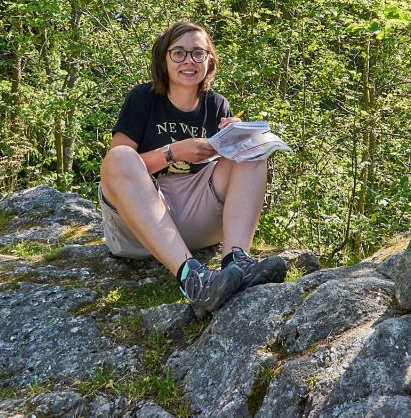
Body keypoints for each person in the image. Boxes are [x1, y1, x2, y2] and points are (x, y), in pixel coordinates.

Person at [99, 21, 286, 315]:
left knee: (252, 150)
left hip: (197, 214)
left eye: (198, 53)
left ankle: (237, 262)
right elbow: (115, 171)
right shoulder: (142, 99)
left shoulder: (216, 104)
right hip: (141, 223)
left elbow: (230, 164)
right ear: (163, 58)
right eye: (179, 53)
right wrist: (173, 152)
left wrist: (237, 137)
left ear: (209, 60)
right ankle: (193, 280)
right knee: (120, 156)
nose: (189, 61)